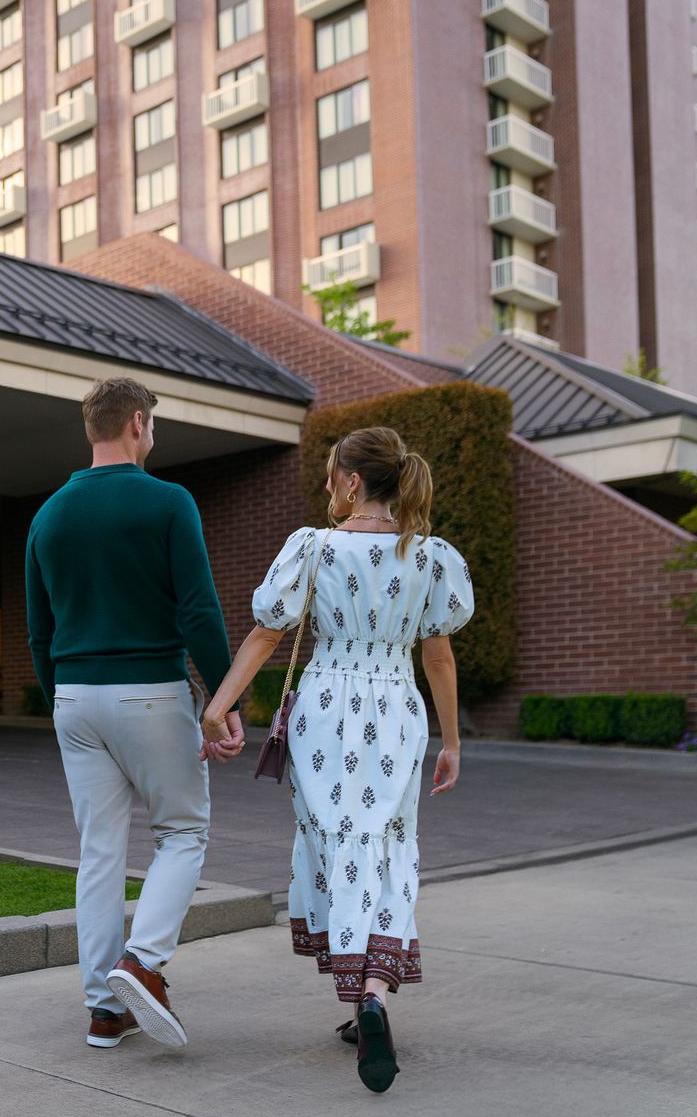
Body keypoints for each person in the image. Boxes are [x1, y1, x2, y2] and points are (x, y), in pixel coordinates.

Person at [202, 426, 474, 1093]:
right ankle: (374, 994)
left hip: (326, 710)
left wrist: (220, 704)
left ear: (352, 483)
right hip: (397, 713)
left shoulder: (313, 548)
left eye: (330, 477)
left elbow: (269, 634)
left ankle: (362, 994)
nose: (327, 488)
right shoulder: (431, 557)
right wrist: (453, 740)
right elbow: (437, 654)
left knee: (336, 846)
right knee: (388, 846)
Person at [25, 377, 246, 1051]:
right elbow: (198, 610)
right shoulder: (169, 502)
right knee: (181, 832)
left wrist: (60, 697)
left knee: (98, 853)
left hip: (74, 697)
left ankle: (104, 1008)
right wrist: (227, 700)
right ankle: (141, 964)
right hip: (150, 690)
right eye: (154, 427)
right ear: (138, 423)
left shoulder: (48, 516)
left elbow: (39, 633)